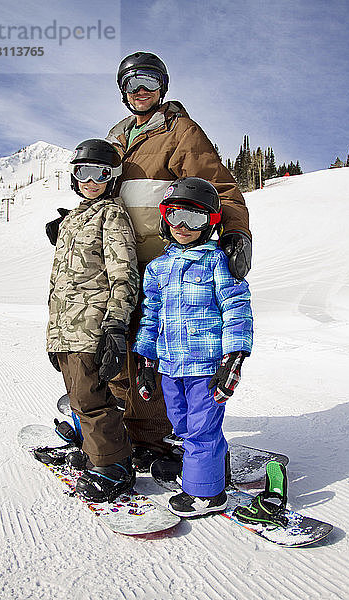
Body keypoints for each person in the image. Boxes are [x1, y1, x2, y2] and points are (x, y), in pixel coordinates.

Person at [104, 51, 253, 471]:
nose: (140, 91)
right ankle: (121, 425)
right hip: (118, 261)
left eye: (149, 81)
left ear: (163, 86)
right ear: (122, 92)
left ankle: (151, 437)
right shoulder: (118, 138)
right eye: (132, 84)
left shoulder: (179, 132)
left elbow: (219, 187)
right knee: (118, 345)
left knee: (152, 350)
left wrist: (236, 233)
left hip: (162, 259)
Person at [133, 178, 253, 517]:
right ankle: (210, 464)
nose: (183, 227)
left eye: (195, 219)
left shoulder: (217, 262)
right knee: (180, 423)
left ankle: (207, 494)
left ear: (211, 224)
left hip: (205, 364)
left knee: (202, 428)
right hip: (170, 366)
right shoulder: (157, 268)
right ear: (164, 218)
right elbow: (151, 316)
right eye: (175, 216)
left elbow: (236, 308)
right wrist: (145, 360)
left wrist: (234, 357)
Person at [46, 139, 140, 503]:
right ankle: (95, 450)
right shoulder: (72, 217)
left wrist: (116, 323)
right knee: (77, 395)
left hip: (91, 323)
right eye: (81, 172)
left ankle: (114, 466)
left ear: (112, 176)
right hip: (64, 325)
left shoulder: (111, 214)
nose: (89, 180)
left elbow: (123, 272)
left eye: (99, 173)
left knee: (90, 398)